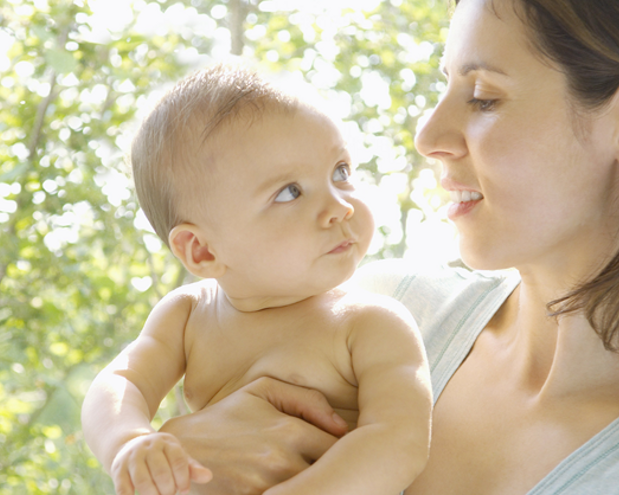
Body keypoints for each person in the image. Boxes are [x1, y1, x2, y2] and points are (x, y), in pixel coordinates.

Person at [152, 0, 619, 494]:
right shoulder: (366, 305)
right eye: (445, 84)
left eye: (483, 97)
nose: (427, 135)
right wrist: (180, 454)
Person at [81, 64, 432, 495]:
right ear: (203, 251)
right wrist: (129, 443)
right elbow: (120, 383)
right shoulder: (188, 316)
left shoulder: (369, 323)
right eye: (290, 191)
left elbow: (400, 441)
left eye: (340, 171)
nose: (340, 206)